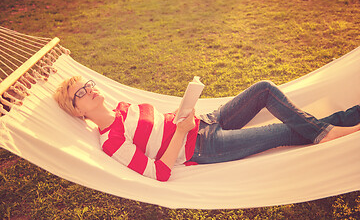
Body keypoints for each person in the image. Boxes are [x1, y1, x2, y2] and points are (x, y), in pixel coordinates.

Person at [53, 76, 360, 181]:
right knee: (283, 131)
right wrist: (182, 132)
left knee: (264, 88)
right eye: (80, 93)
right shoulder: (111, 142)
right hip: (203, 147)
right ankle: (331, 132)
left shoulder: (123, 107)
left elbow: (157, 128)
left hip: (208, 121)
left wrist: (178, 115)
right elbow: (160, 171)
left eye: (87, 85)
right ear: (78, 112)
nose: (89, 90)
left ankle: (344, 119)